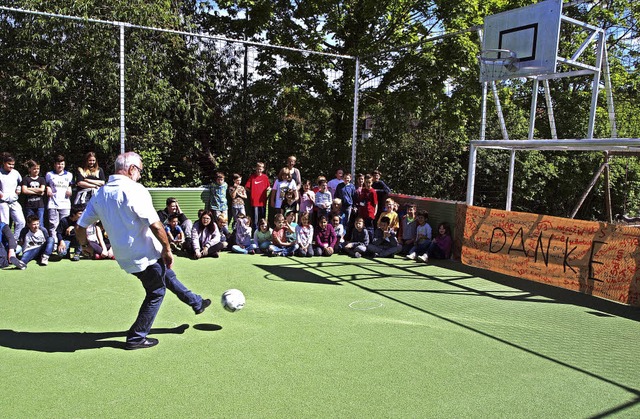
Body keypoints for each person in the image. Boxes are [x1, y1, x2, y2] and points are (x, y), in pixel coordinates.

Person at [76, 152, 211, 350]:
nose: (140, 174)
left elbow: (81, 227)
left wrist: (85, 246)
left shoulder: (100, 194)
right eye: (139, 170)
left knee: (166, 275)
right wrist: (167, 249)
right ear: (131, 169)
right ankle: (136, 337)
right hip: (144, 255)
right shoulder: (135, 190)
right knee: (156, 291)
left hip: (124, 256)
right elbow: (156, 225)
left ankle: (196, 302)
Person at [46, 154, 74, 243]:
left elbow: (70, 185)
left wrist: (70, 189)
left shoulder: (69, 175)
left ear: (64, 164)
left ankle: (64, 244)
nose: (60, 166)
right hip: (53, 204)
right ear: (54, 164)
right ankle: (54, 245)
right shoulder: (49, 174)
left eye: (62, 164)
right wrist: (48, 188)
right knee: (53, 225)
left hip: (65, 204)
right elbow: (46, 185)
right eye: (58, 164)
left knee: (65, 225)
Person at [0, 153, 26, 241]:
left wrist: (19, 188)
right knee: (5, 225)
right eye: (9, 164)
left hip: (14, 201)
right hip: (3, 202)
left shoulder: (15, 173)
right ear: (4, 163)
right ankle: (4, 244)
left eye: (13, 164)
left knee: (21, 222)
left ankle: (13, 241)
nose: (11, 166)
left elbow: (21, 182)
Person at [20, 159, 46, 228]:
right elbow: (24, 191)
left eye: (38, 168)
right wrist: (38, 191)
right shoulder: (26, 179)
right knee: (29, 224)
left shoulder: (41, 179)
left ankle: (41, 238)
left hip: (39, 205)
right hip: (29, 205)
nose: (36, 170)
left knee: (40, 224)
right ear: (29, 169)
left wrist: (29, 188)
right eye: (34, 169)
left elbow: (42, 189)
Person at [244, 162, 270, 230]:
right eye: (258, 169)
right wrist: (252, 192)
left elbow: (268, 187)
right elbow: (246, 187)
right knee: (255, 219)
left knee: (262, 218)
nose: (259, 170)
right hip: (255, 201)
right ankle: (255, 233)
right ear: (256, 169)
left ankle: (263, 231)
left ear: (263, 169)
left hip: (262, 201)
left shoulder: (265, 177)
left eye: (260, 169)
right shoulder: (252, 177)